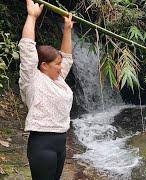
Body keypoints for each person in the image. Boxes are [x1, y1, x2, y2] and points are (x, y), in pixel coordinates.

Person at [19, 0, 74, 179]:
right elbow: (27, 47)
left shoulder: (58, 80)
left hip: (60, 143)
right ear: (43, 65)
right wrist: (32, 16)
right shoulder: (32, 80)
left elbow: (66, 57)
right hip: (42, 144)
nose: (61, 67)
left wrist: (67, 30)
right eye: (57, 64)